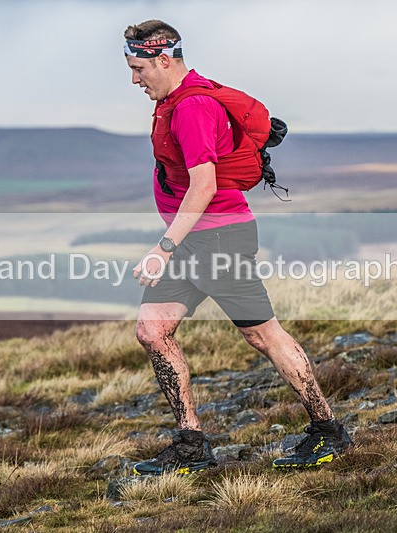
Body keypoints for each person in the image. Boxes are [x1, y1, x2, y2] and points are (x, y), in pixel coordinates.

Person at [124, 20, 353, 475]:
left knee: (262, 334)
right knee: (152, 330)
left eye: (138, 69)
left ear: (163, 59)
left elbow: (204, 185)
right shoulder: (173, 101)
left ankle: (328, 432)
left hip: (218, 240)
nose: (135, 79)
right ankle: (191, 445)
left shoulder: (192, 107)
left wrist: (163, 248)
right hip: (195, 241)